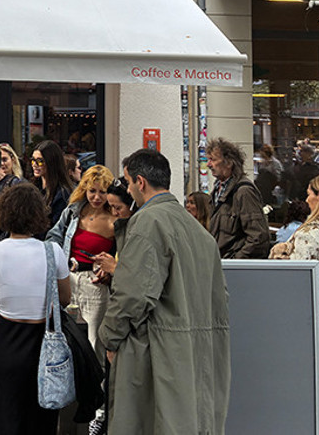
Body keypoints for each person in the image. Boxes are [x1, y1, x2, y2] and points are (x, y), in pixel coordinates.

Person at [99, 149, 230, 434]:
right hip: (196, 356)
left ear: (140, 182)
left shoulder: (148, 223)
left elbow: (132, 294)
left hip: (155, 355)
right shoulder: (199, 232)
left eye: (129, 182)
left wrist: (109, 337)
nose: (129, 189)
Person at [0, 183, 71, 435]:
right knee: (40, 422)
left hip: (2, 344)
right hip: (43, 347)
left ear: (3, 213)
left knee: (1, 421)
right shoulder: (54, 252)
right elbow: (64, 299)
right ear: (38, 214)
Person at [270, 174, 319, 434]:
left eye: (309, 193)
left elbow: (299, 279)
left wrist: (279, 254)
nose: (306, 199)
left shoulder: (312, 233)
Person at [46, 165, 115, 361]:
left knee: (94, 344)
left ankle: (96, 389)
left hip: (94, 283)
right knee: (66, 338)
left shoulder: (114, 219)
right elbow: (53, 238)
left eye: (103, 192)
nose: (96, 197)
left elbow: (123, 253)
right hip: (68, 279)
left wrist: (110, 271)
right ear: (84, 189)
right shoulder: (74, 211)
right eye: (92, 191)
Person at [206, 137, 270, 259]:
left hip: (235, 269)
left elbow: (258, 237)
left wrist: (236, 261)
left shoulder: (244, 192)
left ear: (229, 163)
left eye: (213, 159)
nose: (209, 164)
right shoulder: (217, 190)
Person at [32, 141, 75, 229]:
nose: (35, 165)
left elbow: (57, 228)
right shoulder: (34, 187)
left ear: (51, 162)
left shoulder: (62, 194)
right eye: (33, 160)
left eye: (40, 161)